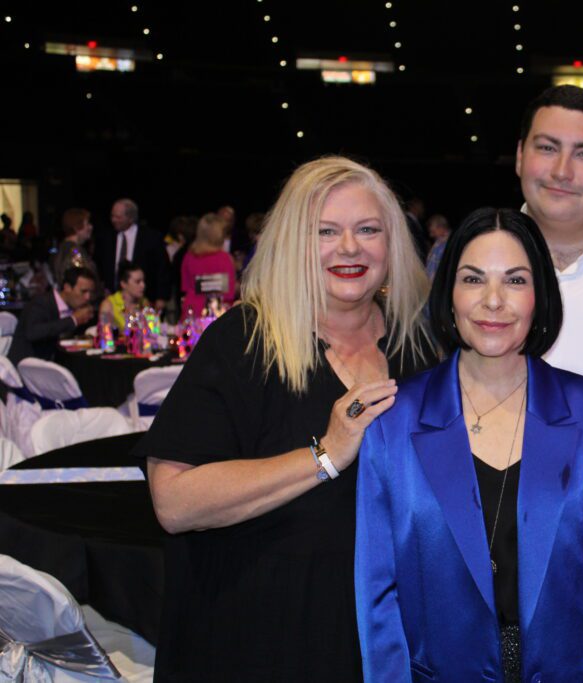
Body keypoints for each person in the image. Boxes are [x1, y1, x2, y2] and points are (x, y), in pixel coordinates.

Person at [134, 156, 436, 681]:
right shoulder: (242, 342)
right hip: (256, 639)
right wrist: (325, 455)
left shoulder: (422, 347)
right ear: (293, 243)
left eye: (368, 229)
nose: (349, 247)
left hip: (384, 641)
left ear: (392, 243)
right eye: (326, 231)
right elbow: (174, 503)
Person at [356, 208, 583, 682]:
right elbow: (379, 595)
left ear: (540, 296)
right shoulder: (392, 422)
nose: (493, 301)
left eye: (515, 281)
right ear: (449, 295)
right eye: (473, 279)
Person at [429, 85, 583, 481]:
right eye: (547, 148)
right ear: (520, 156)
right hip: (474, 505)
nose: (562, 170)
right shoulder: (451, 259)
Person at [8, 267, 96, 365]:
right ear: (67, 287)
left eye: (91, 292)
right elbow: (32, 333)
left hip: (60, 363)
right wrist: (73, 320)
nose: (88, 297)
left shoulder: (80, 309)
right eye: (83, 291)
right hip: (26, 366)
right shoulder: (41, 303)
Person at [96, 198, 171, 307]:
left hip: (145, 301)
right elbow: (100, 266)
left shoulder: (151, 237)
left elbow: (162, 270)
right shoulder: (106, 237)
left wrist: (161, 298)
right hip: (113, 300)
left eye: (118, 217)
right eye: (112, 216)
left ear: (131, 218)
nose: (113, 220)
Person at [179, 212, 236, 315]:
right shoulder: (224, 259)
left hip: (192, 310)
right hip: (216, 311)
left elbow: (185, 286)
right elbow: (229, 294)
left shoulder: (189, 256)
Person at [51, 208, 97, 287]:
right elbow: (84, 278)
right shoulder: (75, 251)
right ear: (77, 227)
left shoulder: (64, 247)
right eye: (87, 224)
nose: (91, 227)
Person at [99, 260, 150, 330]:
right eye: (137, 282)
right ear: (123, 284)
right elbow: (105, 332)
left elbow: (155, 331)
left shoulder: (145, 303)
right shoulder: (108, 305)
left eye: (143, 281)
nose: (143, 285)